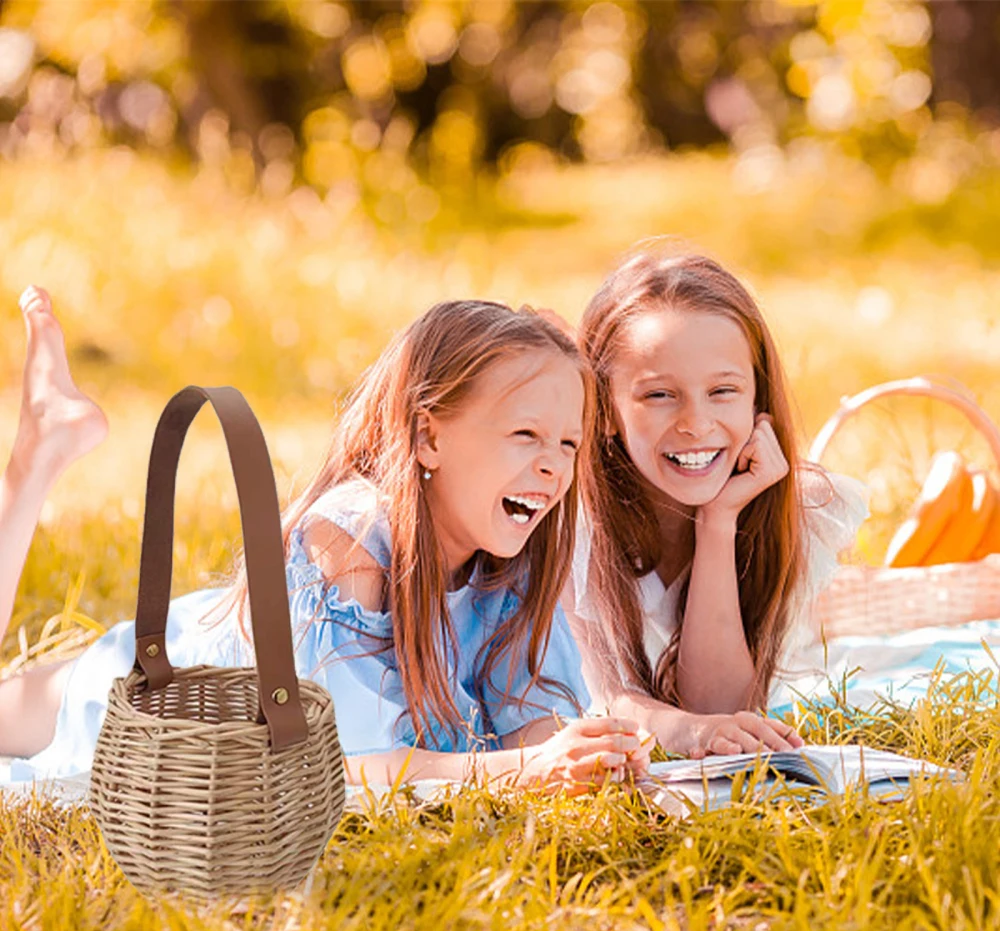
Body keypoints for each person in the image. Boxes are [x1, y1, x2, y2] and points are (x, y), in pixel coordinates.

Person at [0, 289, 649, 794]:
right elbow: (352, 770)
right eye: (525, 436)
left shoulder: (513, 558)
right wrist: (531, 769)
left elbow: (534, 729)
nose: (553, 467)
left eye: (568, 444)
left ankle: (43, 447)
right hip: (147, 689)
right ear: (428, 438)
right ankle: (35, 464)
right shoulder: (350, 542)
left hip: (192, 632)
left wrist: (583, 756)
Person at [566, 249, 866, 758]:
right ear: (605, 410)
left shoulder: (800, 513)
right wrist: (689, 733)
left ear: (756, 399)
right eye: (659, 395)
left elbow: (722, 707)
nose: (696, 424)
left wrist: (718, 521)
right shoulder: (572, 522)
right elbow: (605, 695)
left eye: (723, 390)